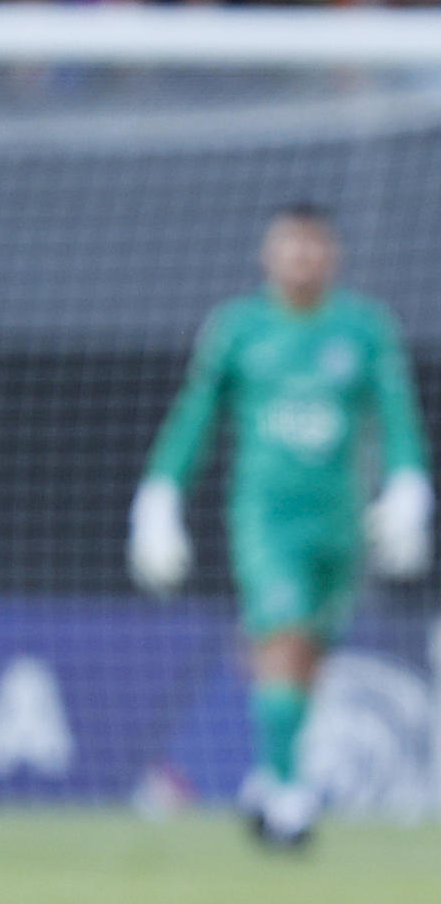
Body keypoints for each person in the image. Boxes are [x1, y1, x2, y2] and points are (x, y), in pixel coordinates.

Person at [129, 202, 432, 848]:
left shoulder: (364, 328)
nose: (302, 257)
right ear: (270, 253)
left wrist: (409, 485)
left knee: (309, 653)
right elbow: (195, 418)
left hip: (339, 523)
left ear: (332, 254)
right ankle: (292, 798)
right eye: (290, 245)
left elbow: (397, 415)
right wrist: (159, 497)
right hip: (265, 518)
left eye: (314, 245)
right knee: (284, 631)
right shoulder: (240, 329)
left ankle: (271, 774)